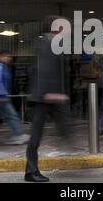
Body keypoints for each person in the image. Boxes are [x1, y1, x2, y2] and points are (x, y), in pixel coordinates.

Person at [25, 16, 72, 183]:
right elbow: (43, 69)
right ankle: (31, 172)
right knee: (36, 135)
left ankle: (70, 147)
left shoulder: (56, 44)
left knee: (65, 127)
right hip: (43, 96)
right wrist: (50, 93)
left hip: (51, 95)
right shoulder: (46, 43)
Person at [0, 50, 29, 151]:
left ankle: (18, 135)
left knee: (11, 115)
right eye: (7, 56)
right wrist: (1, 95)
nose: (9, 58)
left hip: (2, 97)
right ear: (1, 56)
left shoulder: (3, 66)